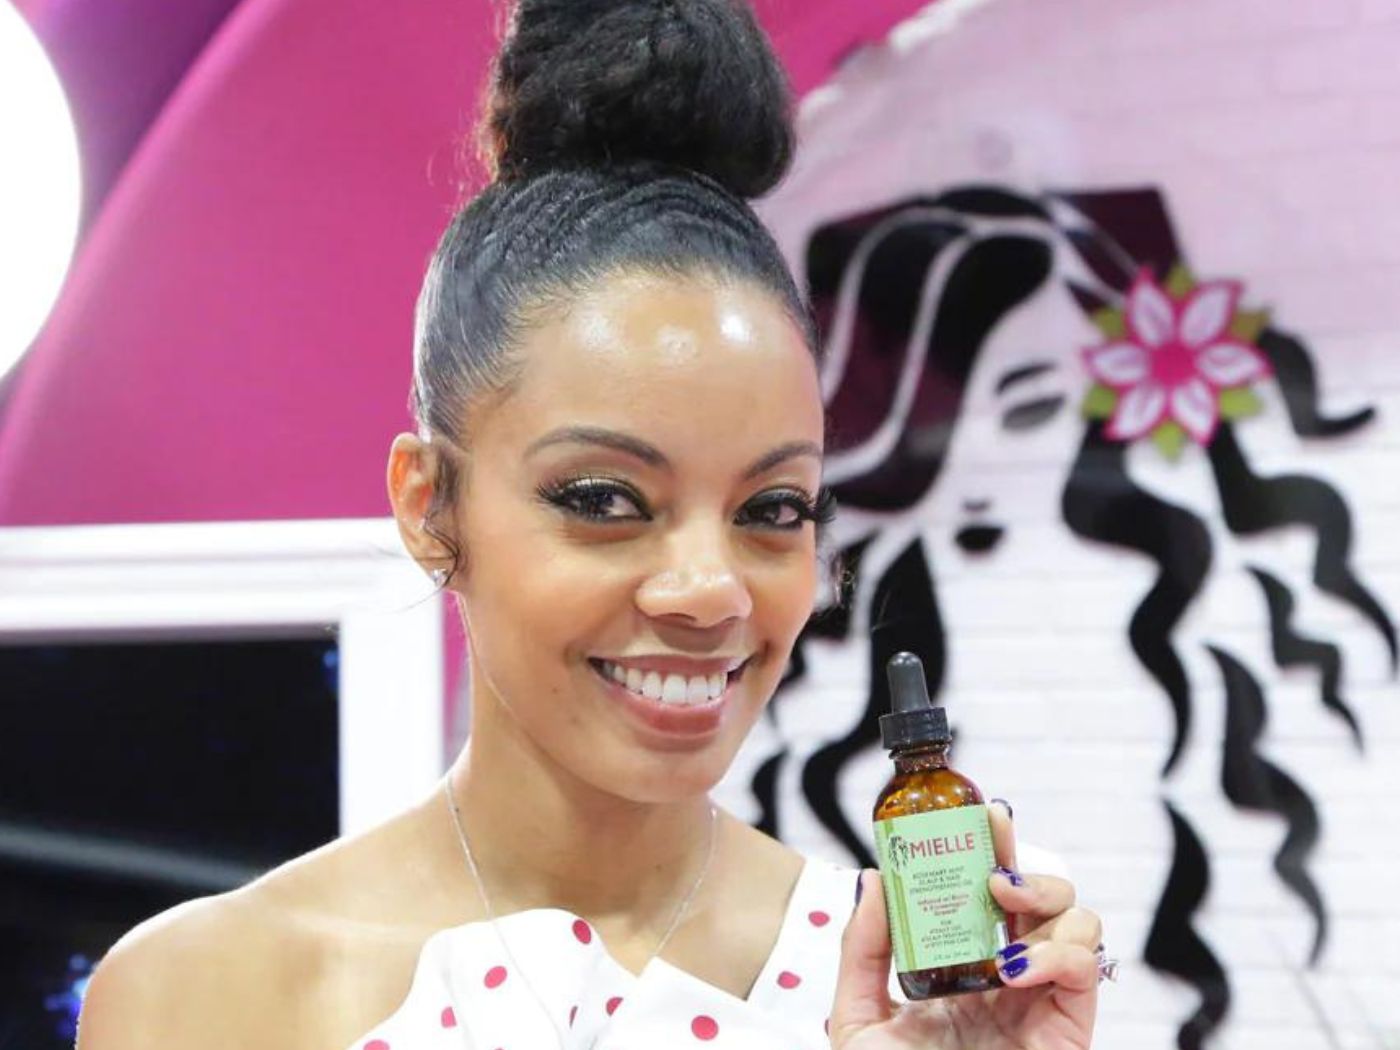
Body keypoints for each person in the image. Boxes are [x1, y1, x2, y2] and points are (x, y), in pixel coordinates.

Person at [75, 2, 1104, 1047]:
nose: (710, 589)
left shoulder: (900, 990)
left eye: (770, 509)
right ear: (430, 506)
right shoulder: (202, 994)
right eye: (604, 499)